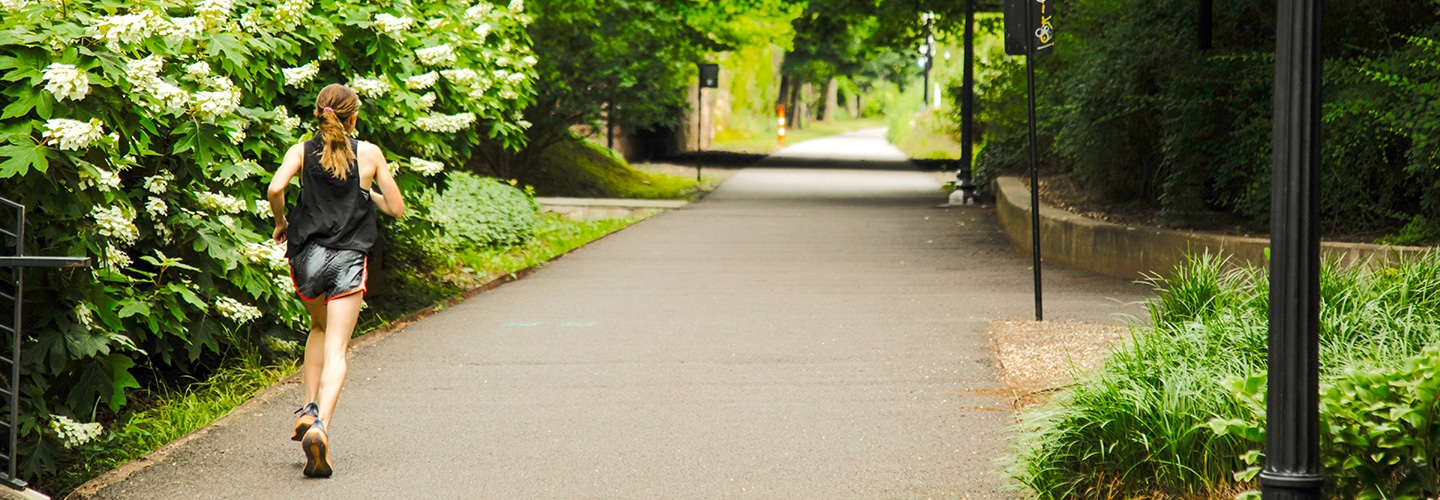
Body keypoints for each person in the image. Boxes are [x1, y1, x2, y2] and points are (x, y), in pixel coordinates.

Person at [266, 83, 405, 478]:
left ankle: (308, 409)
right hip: (347, 258)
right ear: (354, 117)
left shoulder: (301, 150)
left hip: (306, 257)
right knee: (338, 349)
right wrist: (365, 192)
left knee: (317, 327)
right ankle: (322, 425)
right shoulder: (370, 154)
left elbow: (276, 187)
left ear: (318, 114)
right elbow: (396, 208)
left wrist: (281, 222)